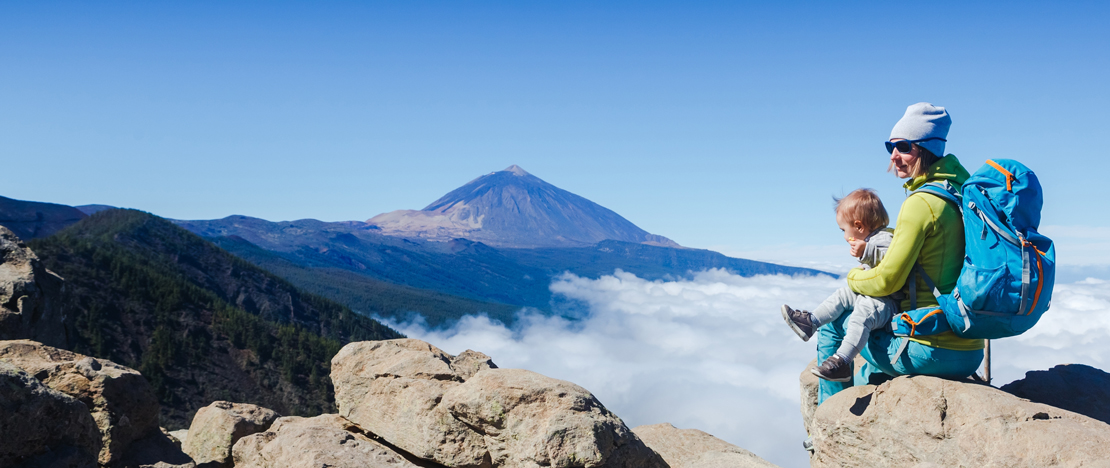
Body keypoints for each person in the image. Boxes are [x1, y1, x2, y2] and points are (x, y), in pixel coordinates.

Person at [801, 103, 986, 406]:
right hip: (969, 349)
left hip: (930, 349)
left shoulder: (921, 203)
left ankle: (828, 418)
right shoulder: (959, 194)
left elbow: (887, 280)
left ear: (926, 149)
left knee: (835, 324)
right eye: (891, 146)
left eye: (903, 146)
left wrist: (853, 277)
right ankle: (866, 390)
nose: (894, 155)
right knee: (874, 334)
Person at [781, 188, 899, 382]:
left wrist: (867, 250)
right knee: (843, 294)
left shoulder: (885, 239)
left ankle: (842, 361)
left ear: (859, 226)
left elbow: (893, 262)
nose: (844, 236)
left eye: (844, 230)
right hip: (875, 294)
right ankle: (811, 322)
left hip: (889, 303)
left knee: (862, 312)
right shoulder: (872, 239)